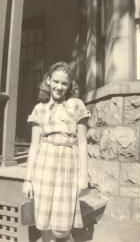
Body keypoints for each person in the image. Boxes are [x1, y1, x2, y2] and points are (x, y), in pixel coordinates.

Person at [23, 62, 91, 242]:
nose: (59, 87)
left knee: (61, 228)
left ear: (70, 85)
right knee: (44, 224)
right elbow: (34, 145)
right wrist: (28, 179)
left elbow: (83, 143)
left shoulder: (76, 105)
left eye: (64, 83)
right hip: (44, 166)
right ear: (48, 80)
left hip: (68, 166)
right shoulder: (39, 109)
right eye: (56, 82)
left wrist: (84, 176)